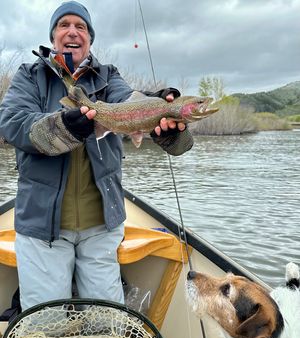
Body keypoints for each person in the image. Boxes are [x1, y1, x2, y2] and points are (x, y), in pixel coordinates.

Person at [0, 1, 193, 311]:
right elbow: (13, 124)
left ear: (90, 38)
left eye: (81, 27)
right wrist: (64, 127)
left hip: (102, 227)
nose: (73, 32)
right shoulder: (29, 76)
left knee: (106, 318)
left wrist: (158, 114)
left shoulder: (109, 76)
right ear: (53, 37)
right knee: (44, 322)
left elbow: (129, 103)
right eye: (64, 25)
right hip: (41, 226)